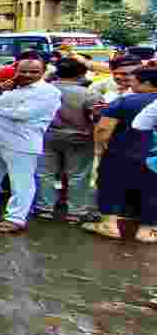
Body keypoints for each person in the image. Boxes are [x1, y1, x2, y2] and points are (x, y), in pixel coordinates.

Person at [0, 58, 61, 234]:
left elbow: (24, 114)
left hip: (21, 143)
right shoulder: (7, 86)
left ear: (43, 72)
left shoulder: (49, 92)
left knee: (21, 182)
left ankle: (16, 218)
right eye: (23, 71)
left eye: (34, 72)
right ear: (16, 70)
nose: (27, 75)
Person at [83, 68, 157, 241]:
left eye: (134, 81)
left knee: (112, 187)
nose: (131, 84)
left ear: (146, 83)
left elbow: (103, 129)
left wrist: (100, 151)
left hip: (121, 154)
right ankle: (148, 230)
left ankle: (109, 225)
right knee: (153, 190)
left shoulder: (125, 101)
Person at [36, 58, 103, 221]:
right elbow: (98, 116)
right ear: (81, 74)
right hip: (79, 138)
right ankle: (76, 212)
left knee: (46, 173)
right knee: (78, 174)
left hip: (46, 136)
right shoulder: (89, 94)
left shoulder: (43, 90)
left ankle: (44, 208)